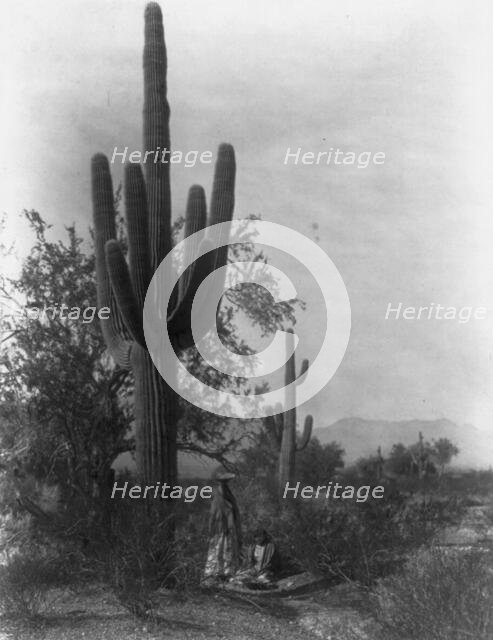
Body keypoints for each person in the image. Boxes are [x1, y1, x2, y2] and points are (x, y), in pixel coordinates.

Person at [203, 465, 242, 584]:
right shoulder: (219, 496)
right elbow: (214, 515)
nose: (225, 484)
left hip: (225, 529)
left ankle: (223, 572)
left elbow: (214, 515)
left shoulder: (225, 494)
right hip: (221, 529)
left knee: (223, 548)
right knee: (220, 548)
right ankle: (219, 573)